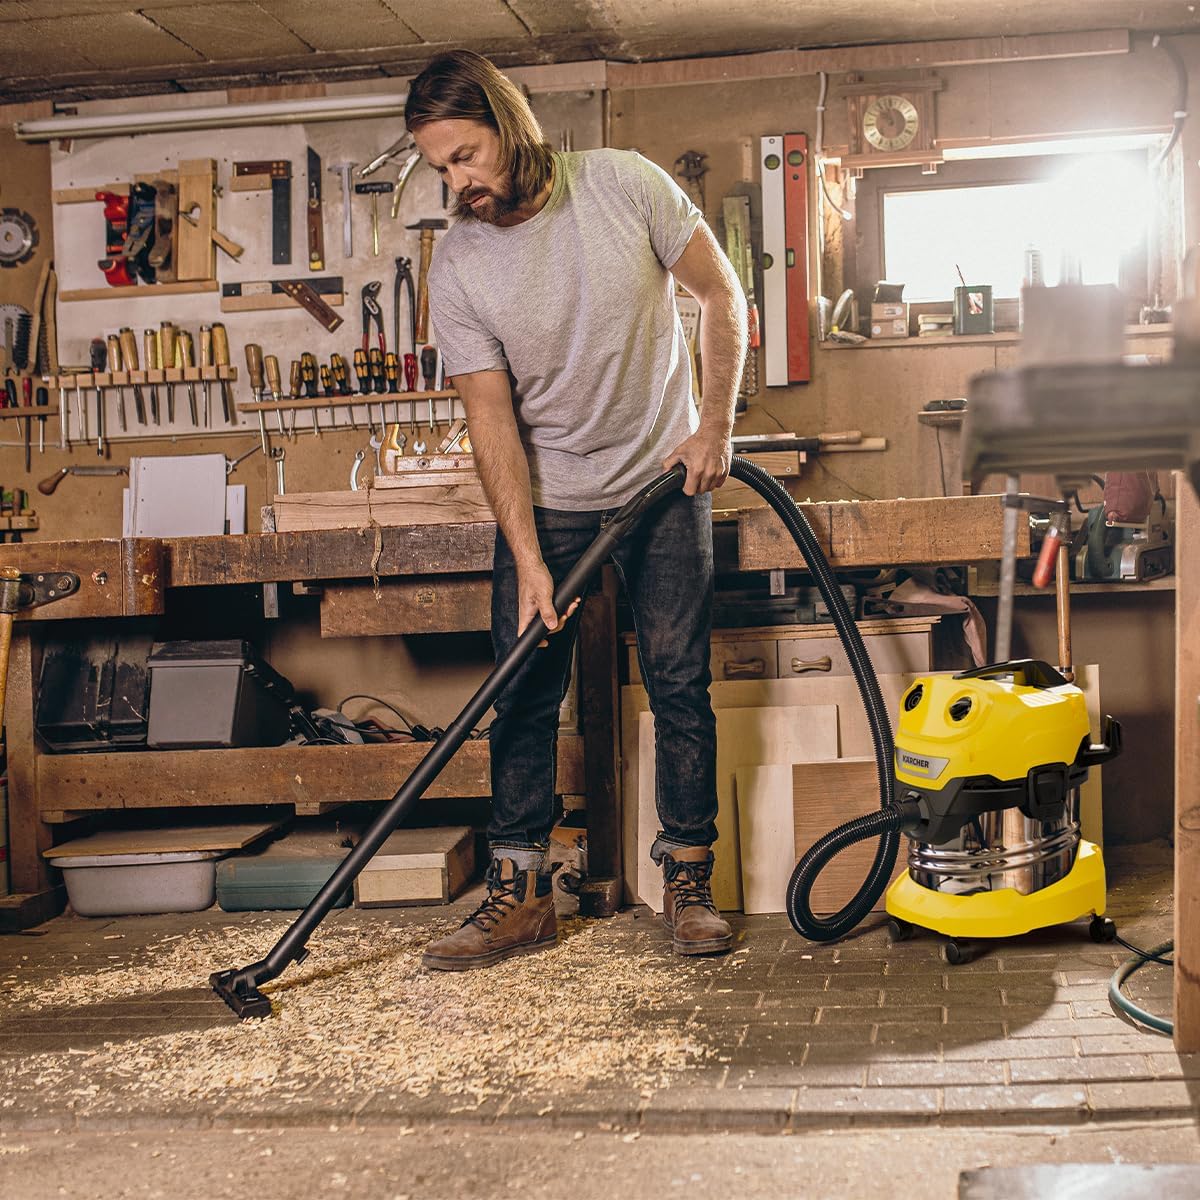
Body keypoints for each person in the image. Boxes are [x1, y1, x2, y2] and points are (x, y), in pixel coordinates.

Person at [405, 50, 747, 971]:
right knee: (521, 690)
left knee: (677, 681)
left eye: (467, 155)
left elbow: (722, 296)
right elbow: (490, 421)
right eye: (440, 167)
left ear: (510, 125)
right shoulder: (461, 265)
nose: (458, 182)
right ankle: (519, 895)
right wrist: (525, 556)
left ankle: (687, 880)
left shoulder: (623, 186)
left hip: (661, 482)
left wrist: (712, 427)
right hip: (550, 499)